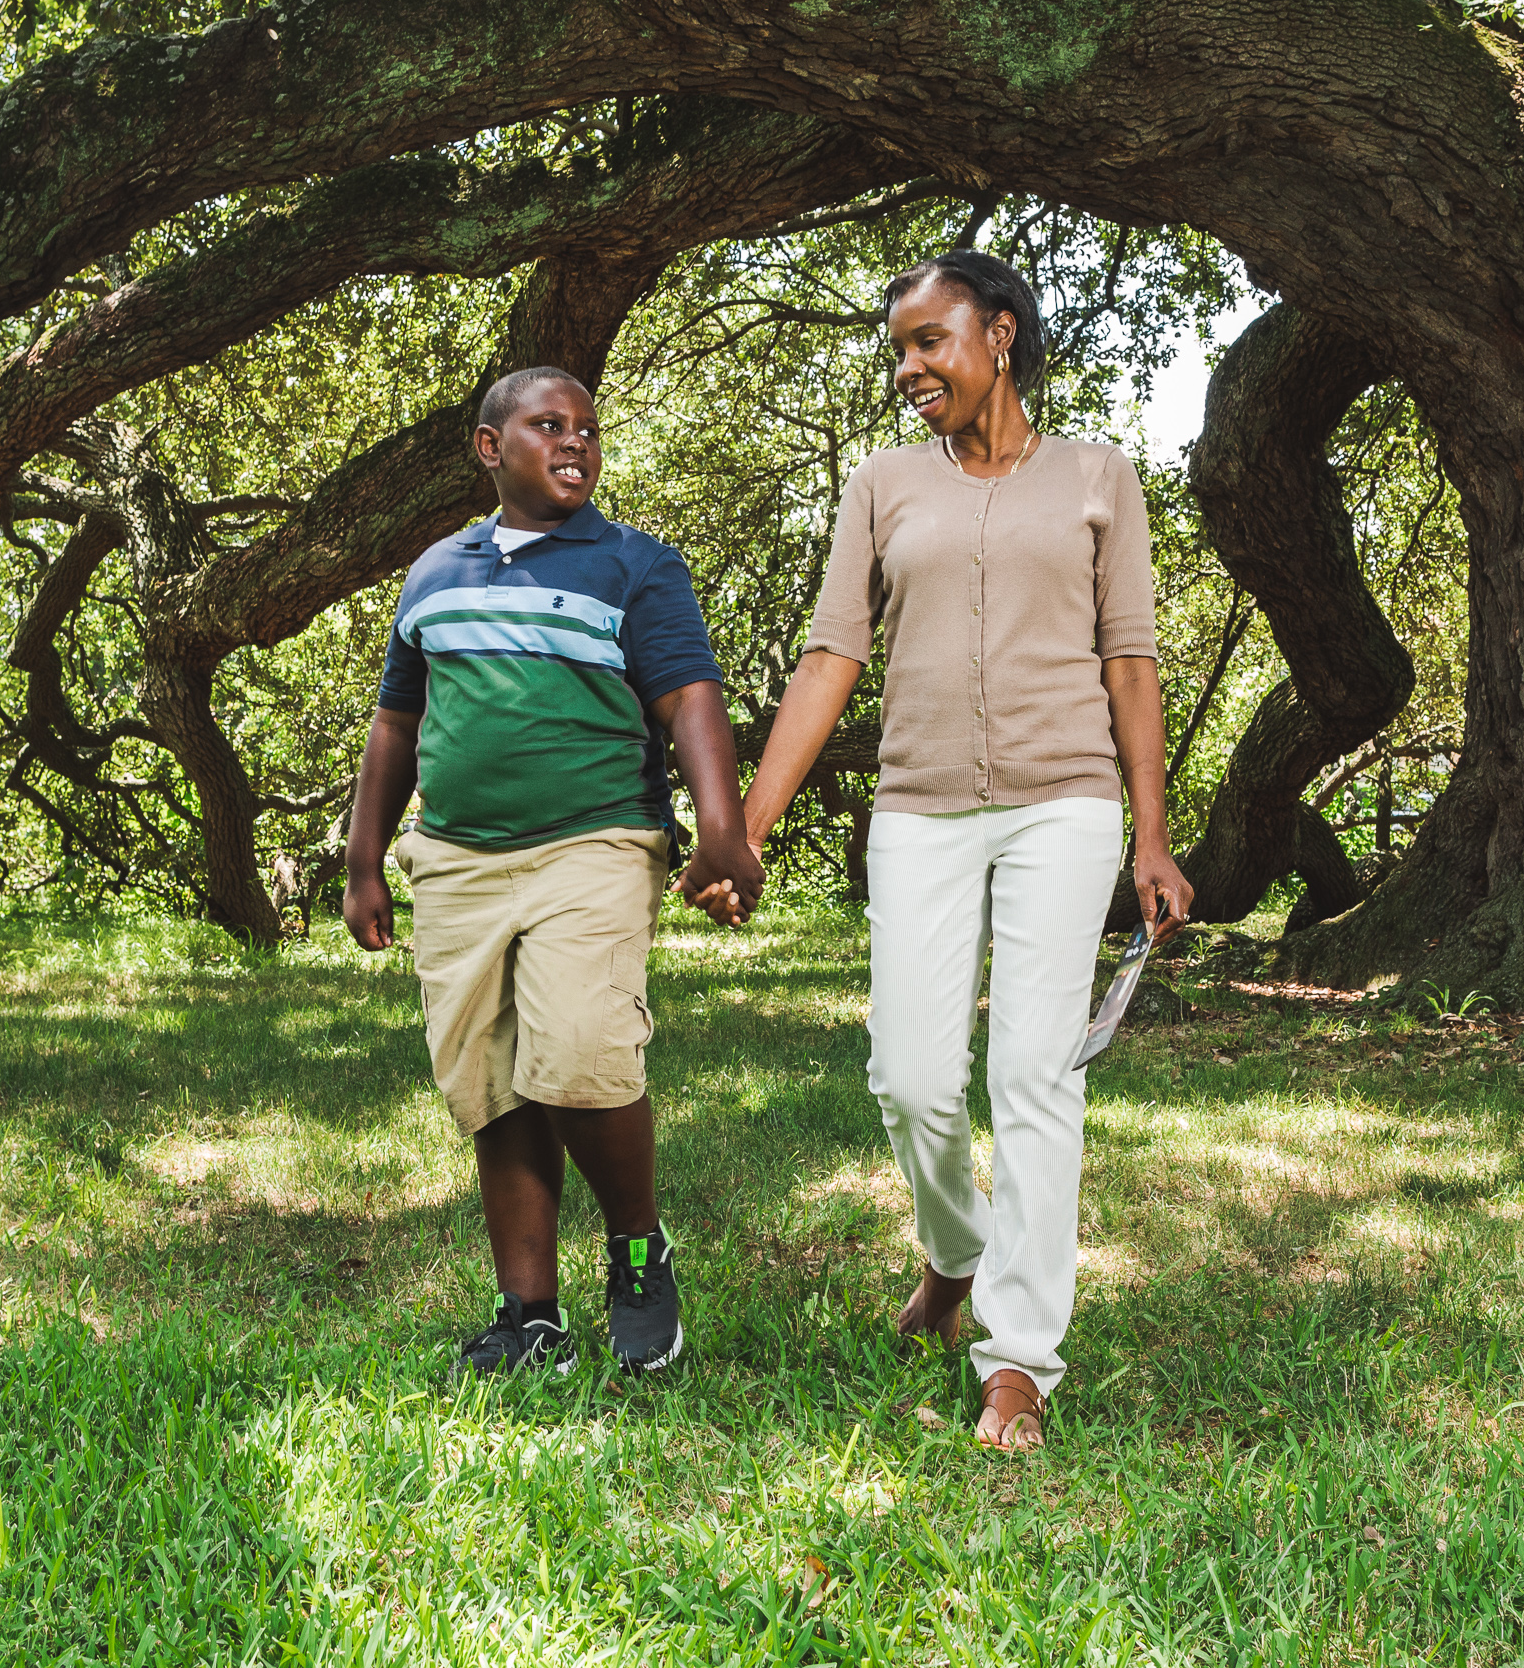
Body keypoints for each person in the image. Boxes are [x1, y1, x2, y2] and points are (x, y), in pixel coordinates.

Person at [730, 251, 1193, 1450]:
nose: (908, 369)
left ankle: (1018, 1362)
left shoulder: (1099, 477)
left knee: (1033, 1079)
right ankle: (954, 1251)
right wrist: (749, 821)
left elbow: (1129, 662)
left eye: (928, 342)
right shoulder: (882, 484)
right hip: (921, 805)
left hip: (1067, 805)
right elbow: (831, 655)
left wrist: (1151, 833)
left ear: (998, 334)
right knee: (910, 1077)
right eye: (899, 349)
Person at [344, 364, 764, 1379]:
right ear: (491, 448)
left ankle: (635, 1247)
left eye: (587, 428)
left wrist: (722, 827)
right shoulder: (435, 571)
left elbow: (690, 697)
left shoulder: (633, 565)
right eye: (548, 425)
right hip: (455, 860)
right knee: (492, 1084)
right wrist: (363, 860)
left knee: (579, 1052)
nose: (575, 441)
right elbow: (397, 721)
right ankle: (529, 1315)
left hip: (595, 841)